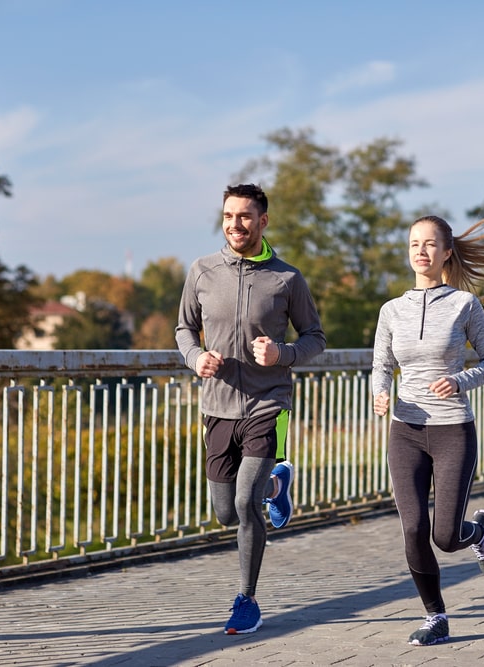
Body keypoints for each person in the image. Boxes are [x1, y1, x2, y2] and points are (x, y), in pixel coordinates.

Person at [175, 182, 326, 635]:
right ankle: (278, 485)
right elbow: (184, 328)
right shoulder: (202, 271)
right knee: (225, 511)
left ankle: (247, 599)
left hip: (268, 403)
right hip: (217, 406)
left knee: (245, 503)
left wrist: (281, 354)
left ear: (263, 221)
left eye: (244, 217)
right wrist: (195, 358)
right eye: (227, 216)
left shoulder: (287, 278)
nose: (234, 225)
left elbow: (315, 338)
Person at [372, 209, 484, 646]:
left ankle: (477, 533)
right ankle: (436, 616)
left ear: (446, 252)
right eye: (414, 244)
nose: (421, 251)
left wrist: (458, 380)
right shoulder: (391, 310)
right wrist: (381, 392)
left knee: (444, 536)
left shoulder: (464, 304)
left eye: (430, 244)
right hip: (405, 430)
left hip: (452, 429)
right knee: (414, 529)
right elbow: (381, 364)